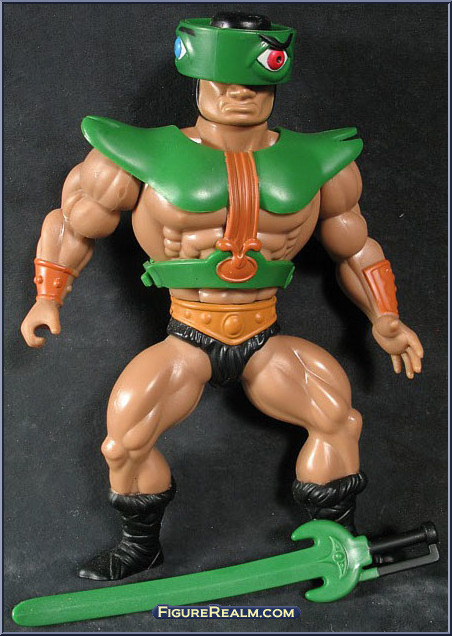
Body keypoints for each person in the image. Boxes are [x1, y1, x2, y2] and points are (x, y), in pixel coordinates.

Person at [21, 12, 423, 581]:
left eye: (254, 85)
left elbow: (355, 247)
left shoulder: (322, 165)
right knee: (124, 444)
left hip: (265, 335)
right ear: (199, 80)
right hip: (188, 334)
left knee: (338, 420)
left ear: (275, 84)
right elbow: (72, 224)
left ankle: (336, 545)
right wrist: (48, 295)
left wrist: (386, 316)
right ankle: (141, 547)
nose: (240, 95)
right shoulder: (132, 158)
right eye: (226, 83)